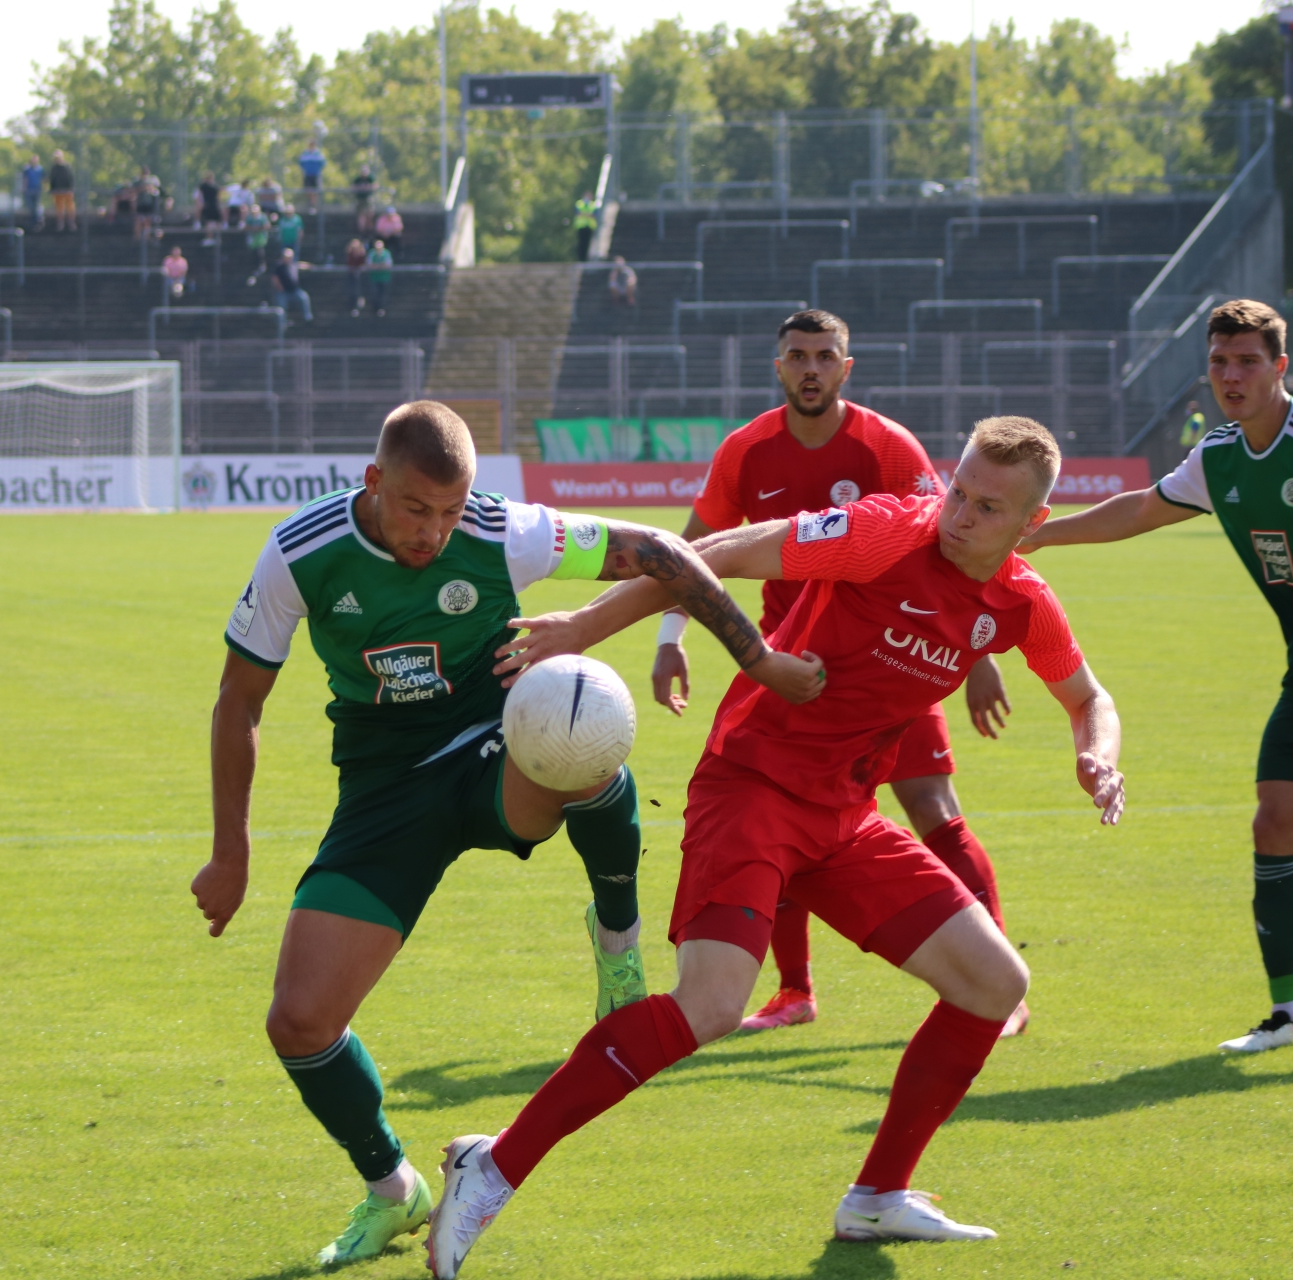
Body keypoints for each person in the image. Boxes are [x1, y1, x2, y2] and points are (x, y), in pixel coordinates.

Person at [425, 416, 1125, 1276]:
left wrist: (1098, 753)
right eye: (957, 491)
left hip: (845, 816)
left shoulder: (1020, 602)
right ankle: (491, 1168)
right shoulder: (879, 533)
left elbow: (1091, 697)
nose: (959, 516)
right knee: (713, 1004)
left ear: (1033, 524)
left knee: (993, 983)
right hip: (752, 787)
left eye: (987, 508)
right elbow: (711, 553)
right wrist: (589, 626)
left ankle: (875, 1200)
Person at [190, 401, 823, 1268]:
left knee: (580, 708)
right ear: (374, 483)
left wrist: (758, 659)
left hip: (500, 752)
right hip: (385, 786)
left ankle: (618, 944)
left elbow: (665, 552)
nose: (436, 532)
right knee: (299, 1020)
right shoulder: (301, 552)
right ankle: (394, 1190)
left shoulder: (502, 530)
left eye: (452, 512)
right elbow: (240, 702)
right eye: (417, 511)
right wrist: (232, 850)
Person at [1021, 298, 1293, 1054]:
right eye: (1220, 362)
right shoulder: (1218, 455)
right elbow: (1140, 510)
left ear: (1281, 367)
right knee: (1274, 822)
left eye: (1248, 361)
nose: (1231, 375)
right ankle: (1288, 1017)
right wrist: (1042, 538)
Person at [654, 310, 1021, 1035]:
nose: (811, 368)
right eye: (798, 356)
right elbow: (696, 545)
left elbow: (960, 550)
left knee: (932, 807)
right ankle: (795, 993)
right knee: (775, 819)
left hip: (898, 661)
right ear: (779, 366)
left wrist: (977, 658)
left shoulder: (887, 446)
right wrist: (672, 635)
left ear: (847, 368)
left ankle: (1002, 984)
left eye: (825, 356)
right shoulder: (746, 451)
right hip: (790, 669)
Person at [271, 247, 313, 323]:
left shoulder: (292, 265)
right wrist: (279, 287)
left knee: (304, 297)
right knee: (282, 306)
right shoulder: (279, 266)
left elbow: (300, 265)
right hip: (283, 292)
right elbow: (274, 278)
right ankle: (282, 323)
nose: (288, 258)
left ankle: (307, 318)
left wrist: (308, 266)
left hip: (294, 291)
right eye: (286, 257)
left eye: (289, 257)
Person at [243, 204, 272, 287]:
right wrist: (254, 228)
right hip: (252, 241)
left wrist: (258, 228)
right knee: (252, 255)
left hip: (260, 239)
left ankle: (261, 266)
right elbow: (246, 227)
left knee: (260, 253)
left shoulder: (262, 217)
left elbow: (267, 226)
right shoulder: (250, 218)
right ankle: (253, 268)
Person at [48, 150, 76, 232]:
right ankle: (60, 223)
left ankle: (71, 222)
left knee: (70, 207)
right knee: (59, 207)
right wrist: (52, 189)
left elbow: (71, 178)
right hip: (57, 191)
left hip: (67, 191)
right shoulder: (54, 168)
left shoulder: (67, 166)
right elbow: (52, 179)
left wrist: (71, 189)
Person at [365, 239, 392, 317]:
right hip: (374, 278)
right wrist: (380, 266)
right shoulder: (371, 253)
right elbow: (369, 265)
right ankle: (375, 308)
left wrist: (376, 266)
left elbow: (388, 265)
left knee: (383, 294)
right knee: (374, 293)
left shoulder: (386, 253)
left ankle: (382, 308)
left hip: (384, 277)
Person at [132, 168, 161, 241]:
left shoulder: (150, 182)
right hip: (140, 204)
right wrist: (143, 188)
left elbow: (155, 191)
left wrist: (150, 188)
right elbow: (133, 191)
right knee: (138, 220)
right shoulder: (137, 182)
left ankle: (146, 237)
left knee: (147, 221)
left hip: (148, 204)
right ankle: (137, 237)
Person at [298, 141, 326, 212]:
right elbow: (301, 163)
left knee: (315, 191)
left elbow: (323, 163)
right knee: (307, 189)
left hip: (315, 175)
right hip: (307, 174)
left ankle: (314, 206)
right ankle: (310, 203)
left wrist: (317, 170)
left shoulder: (318, 153)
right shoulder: (305, 153)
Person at [344, 237, 368, 314]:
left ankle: (360, 304)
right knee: (352, 291)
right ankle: (353, 305)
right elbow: (348, 264)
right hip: (351, 276)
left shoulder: (362, 254)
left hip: (362, 277)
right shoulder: (349, 253)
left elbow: (364, 265)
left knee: (359, 291)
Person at [21, 155, 45, 230]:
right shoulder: (27, 169)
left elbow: (43, 179)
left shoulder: (40, 169)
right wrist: (24, 188)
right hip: (29, 190)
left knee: (36, 205)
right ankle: (34, 221)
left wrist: (44, 187)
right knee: (31, 206)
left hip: (37, 190)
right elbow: (25, 179)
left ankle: (39, 220)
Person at [573, 191, 599, 262]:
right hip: (581, 226)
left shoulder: (593, 205)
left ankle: (586, 259)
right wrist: (588, 215)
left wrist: (583, 214)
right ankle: (580, 259)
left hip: (589, 227)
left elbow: (595, 215)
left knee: (588, 244)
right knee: (581, 243)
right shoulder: (579, 203)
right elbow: (577, 213)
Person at [198, 171, 222, 244]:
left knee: (215, 222)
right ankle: (210, 237)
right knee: (210, 222)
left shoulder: (212, 186)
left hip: (212, 205)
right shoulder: (207, 186)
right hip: (210, 205)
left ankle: (215, 237)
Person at [352, 165, 377, 233]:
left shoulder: (370, 178)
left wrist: (366, 188)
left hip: (368, 198)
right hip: (360, 199)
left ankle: (369, 227)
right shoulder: (358, 179)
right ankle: (361, 229)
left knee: (370, 213)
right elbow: (353, 187)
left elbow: (374, 186)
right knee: (361, 214)